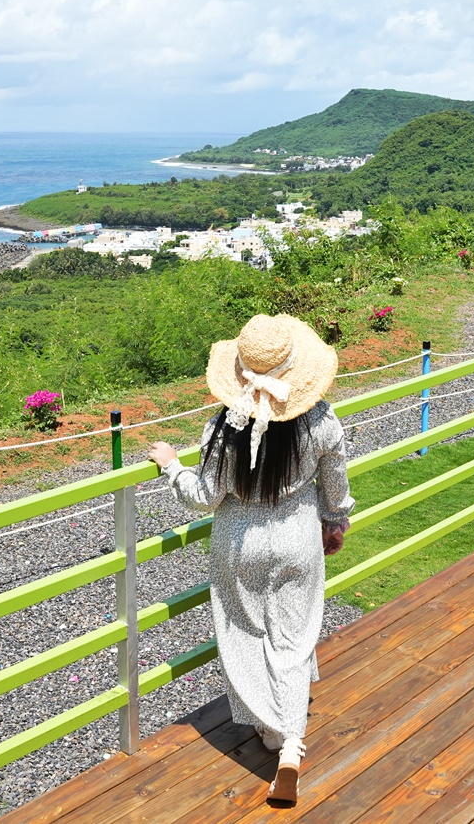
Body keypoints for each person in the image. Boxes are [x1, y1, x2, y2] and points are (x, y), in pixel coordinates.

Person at [148, 314, 353, 808]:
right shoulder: (321, 420)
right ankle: (291, 744)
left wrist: (171, 465)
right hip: (298, 535)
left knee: (246, 633)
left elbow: (204, 496)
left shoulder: (223, 427)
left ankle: (271, 729)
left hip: (238, 542)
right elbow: (337, 488)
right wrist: (334, 523)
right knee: (292, 634)